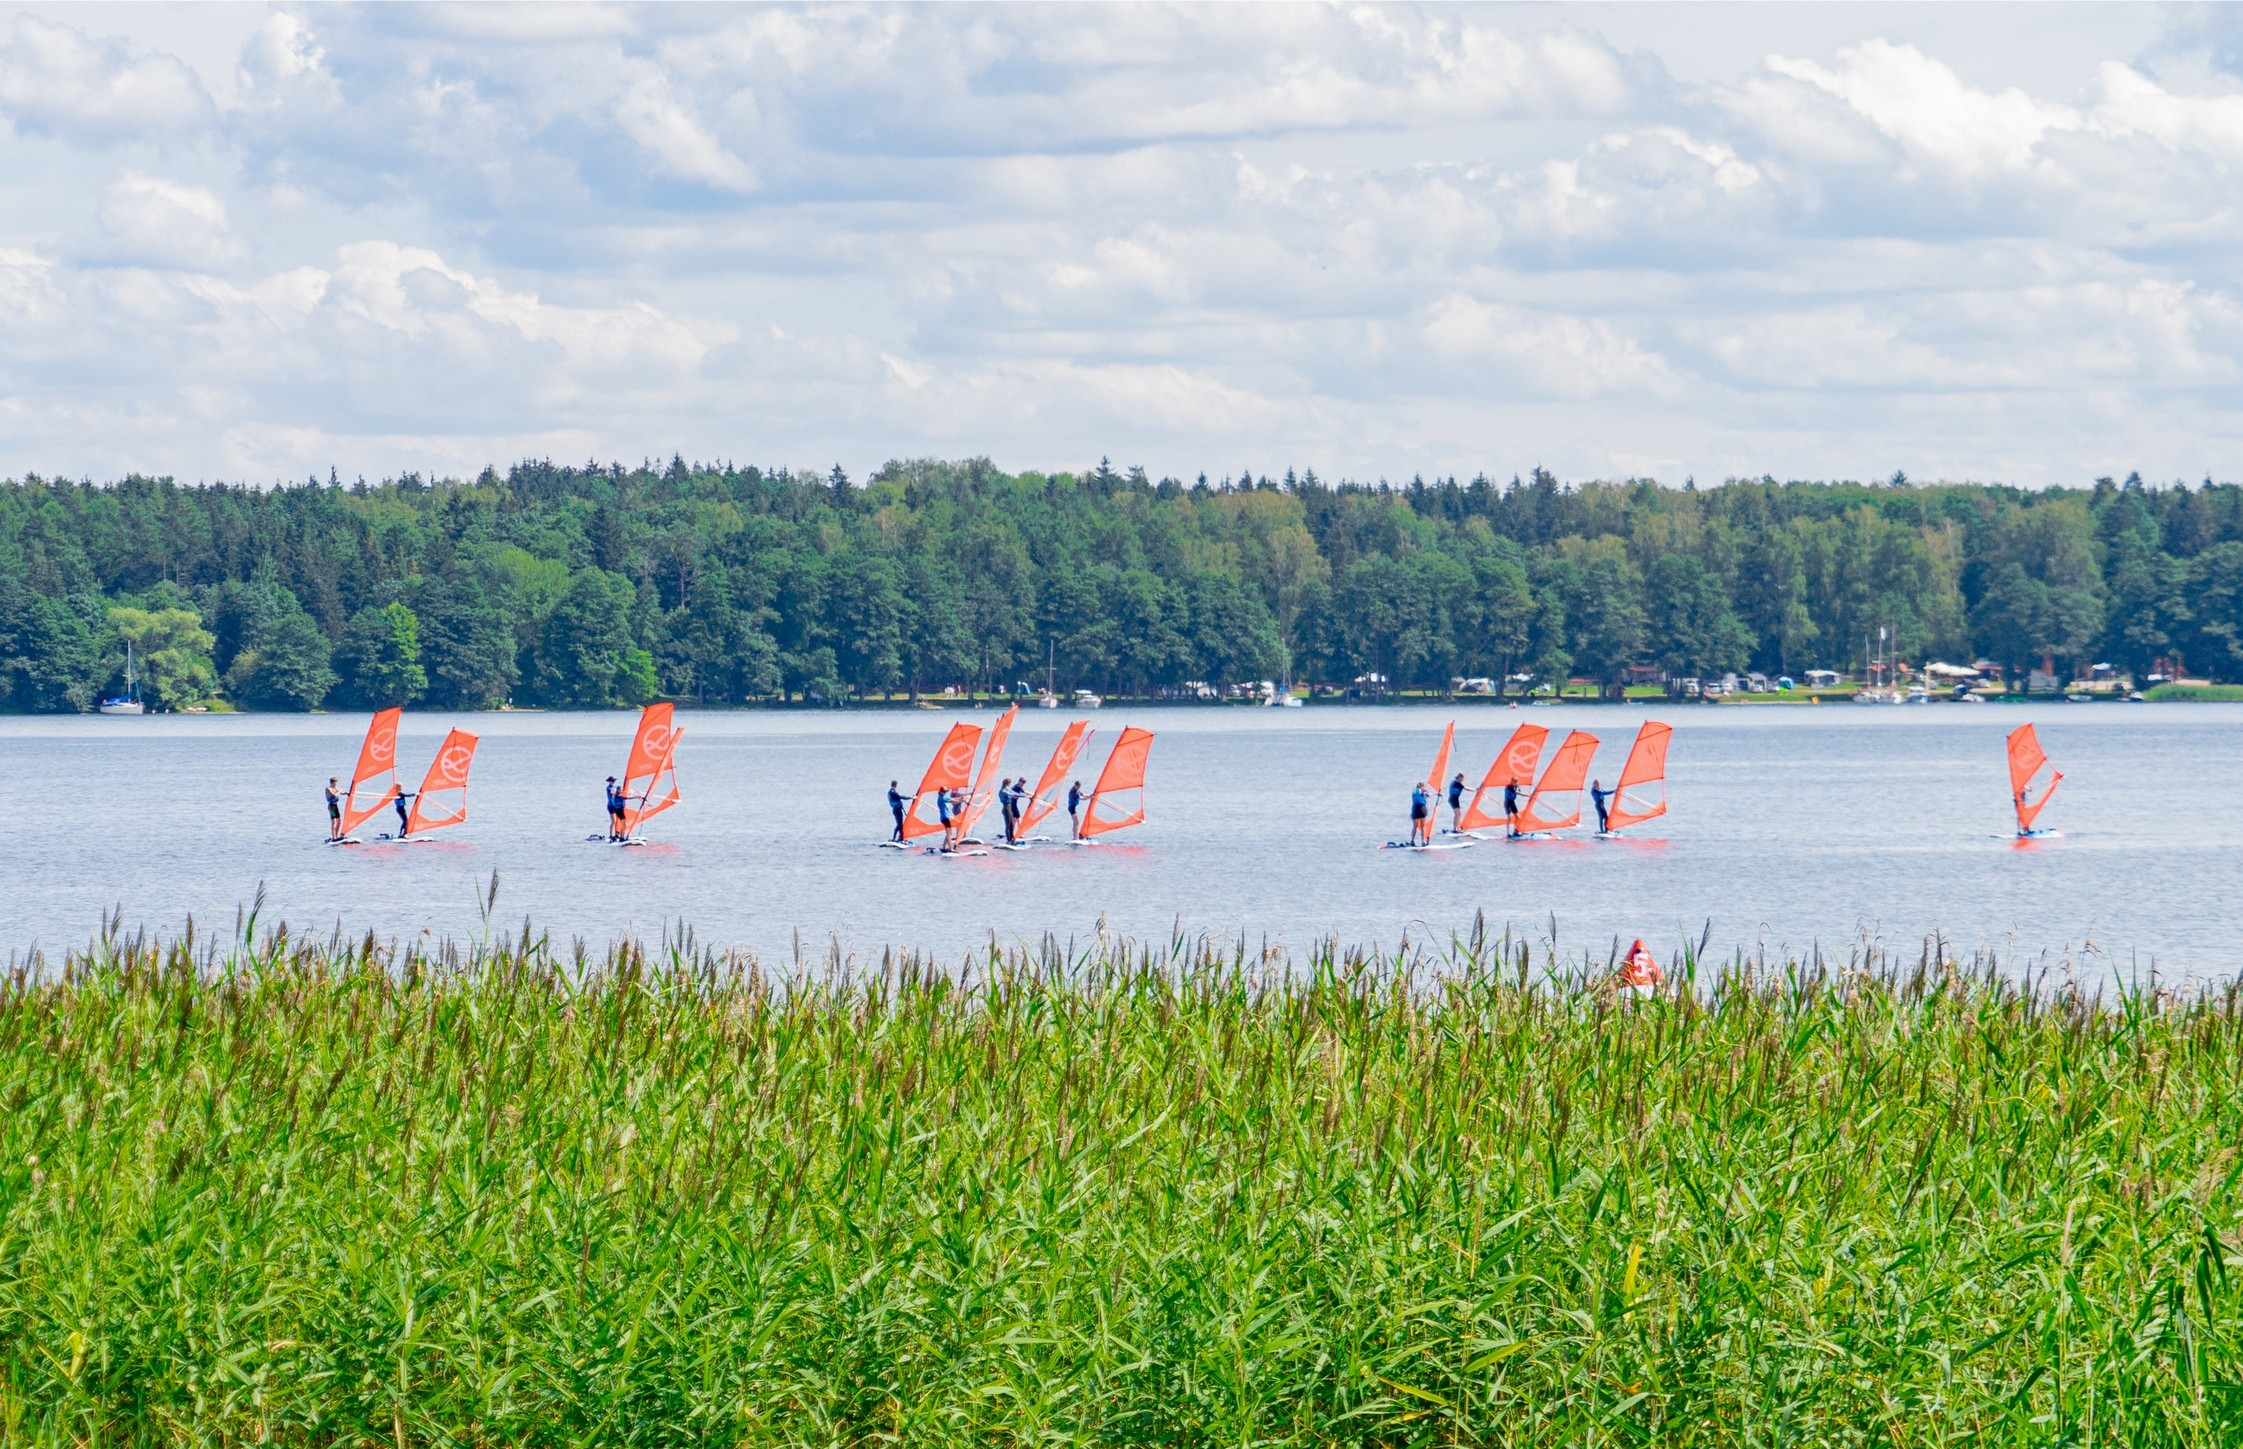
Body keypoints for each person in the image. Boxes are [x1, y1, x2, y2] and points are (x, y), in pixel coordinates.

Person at [1409, 781, 1431, 846]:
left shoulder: (1413, 791)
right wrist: (1437, 794)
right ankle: (1422, 842)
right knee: (1422, 827)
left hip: (1414, 809)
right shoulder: (1423, 791)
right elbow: (1428, 795)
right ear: (1422, 786)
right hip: (1422, 809)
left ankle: (1412, 841)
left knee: (1414, 826)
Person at [606, 776, 627, 841]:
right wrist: (618, 793)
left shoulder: (615, 787)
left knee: (618, 820)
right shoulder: (608, 788)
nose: (613, 782)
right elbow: (612, 793)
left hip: (616, 806)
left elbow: (620, 789)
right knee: (613, 821)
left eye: (613, 781)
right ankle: (610, 835)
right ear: (609, 781)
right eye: (612, 781)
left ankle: (617, 834)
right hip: (610, 806)